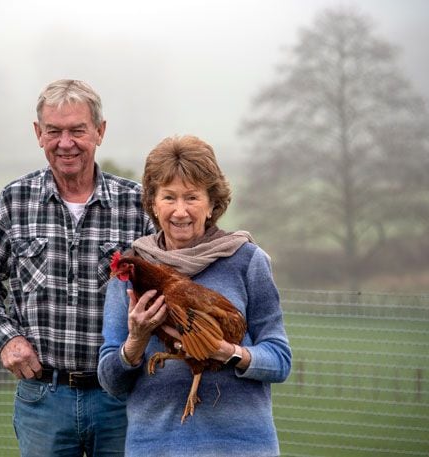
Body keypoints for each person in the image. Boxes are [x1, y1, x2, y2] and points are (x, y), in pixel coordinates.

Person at [0, 79, 155, 457]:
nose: (66, 143)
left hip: (122, 397)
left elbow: (168, 286)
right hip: (43, 398)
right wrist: (7, 339)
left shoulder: (137, 206)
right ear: (38, 134)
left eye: (78, 130)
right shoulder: (14, 201)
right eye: (54, 131)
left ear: (100, 131)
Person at [98, 135, 292, 457]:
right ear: (152, 203)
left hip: (239, 447)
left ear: (212, 203)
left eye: (192, 197)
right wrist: (136, 341)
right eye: (169, 197)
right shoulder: (133, 269)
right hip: (155, 447)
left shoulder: (246, 261)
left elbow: (280, 360)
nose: (180, 211)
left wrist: (228, 352)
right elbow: (111, 381)